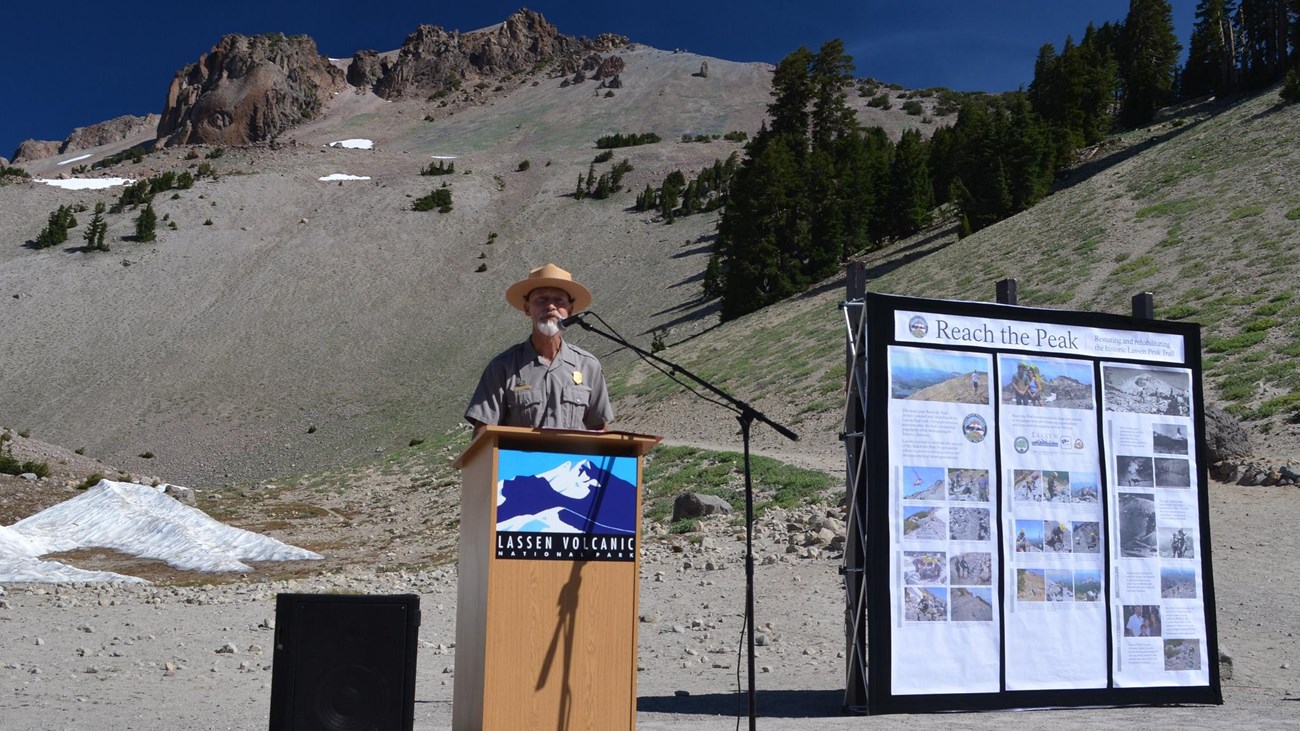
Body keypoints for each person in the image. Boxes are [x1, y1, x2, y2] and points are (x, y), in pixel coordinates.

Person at [465, 263, 613, 435]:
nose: (550, 306)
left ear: (570, 311)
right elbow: (482, 433)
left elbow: (599, 431)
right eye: (541, 300)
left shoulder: (588, 366)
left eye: (559, 300)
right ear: (527, 309)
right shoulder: (502, 367)